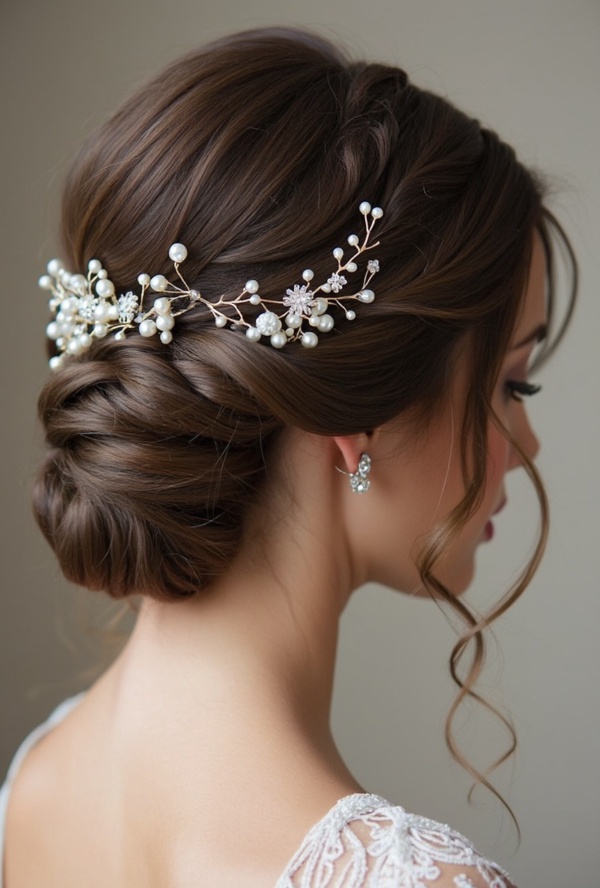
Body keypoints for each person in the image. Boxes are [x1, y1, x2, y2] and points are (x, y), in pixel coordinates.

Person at [0, 27, 576, 888]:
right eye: (510, 387)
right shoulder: (418, 881)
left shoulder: (32, 782)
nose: (526, 443)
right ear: (360, 421)